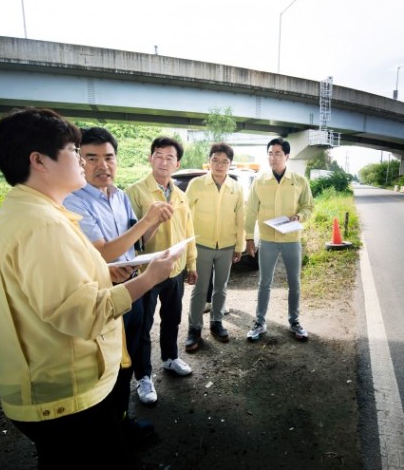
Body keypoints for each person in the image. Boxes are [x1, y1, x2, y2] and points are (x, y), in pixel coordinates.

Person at [0, 107, 182, 469]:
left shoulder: (41, 212)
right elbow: (83, 313)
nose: (84, 160)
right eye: (75, 151)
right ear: (39, 161)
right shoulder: (43, 225)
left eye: (105, 156)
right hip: (64, 395)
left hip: (69, 386)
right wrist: (150, 277)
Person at [63, 126, 173, 441]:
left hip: (132, 288)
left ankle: (122, 421)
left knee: (129, 361)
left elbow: (133, 246)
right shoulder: (74, 202)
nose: (103, 166)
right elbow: (102, 253)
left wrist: (154, 225)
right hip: (105, 297)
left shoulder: (120, 195)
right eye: (91, 158)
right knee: (108, 365)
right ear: (78, 161)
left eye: (109, 157)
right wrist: (147, 220)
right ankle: (107, 432)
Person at [126, 136, 197, 405]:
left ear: (177, 164)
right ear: (150, 158)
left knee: (172, 317)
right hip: (147, 272)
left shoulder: (180, 195)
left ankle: (170, 358)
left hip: (175, 269)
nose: (163, 161)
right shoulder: (135, 192)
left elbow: (188, 231)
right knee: (142, 326)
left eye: (169, 157)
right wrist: (152, 221)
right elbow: (130, 239)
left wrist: (191, 263)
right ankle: (143, 376)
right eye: (158, 155)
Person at [245, 137, 314, 341]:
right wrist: (249, 238)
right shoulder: (260, 181)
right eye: (270, 153)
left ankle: (294, 322)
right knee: (264, 282)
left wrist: (300, 216)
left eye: (277, 154)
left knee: (294, 282)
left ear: (287, 156)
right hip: (267, 239)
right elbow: (250, 211)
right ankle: (259, 322)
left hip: (291, 238)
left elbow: (308, 207)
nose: (272, 158)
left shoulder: (299, 181)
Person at [184, 142, 245, 352]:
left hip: (227, 246)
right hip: (201, 244)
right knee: (199, 289)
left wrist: (239, 245)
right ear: (209, 162)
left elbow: (241, 218)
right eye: (215, 160)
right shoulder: (196, 184)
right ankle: (194, 328)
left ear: (230, 164)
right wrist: (187, 246)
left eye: (224, 162)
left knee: (221, 287)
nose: (219, 165)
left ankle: (216, 322)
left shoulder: (236, 187)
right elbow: (184, 216)